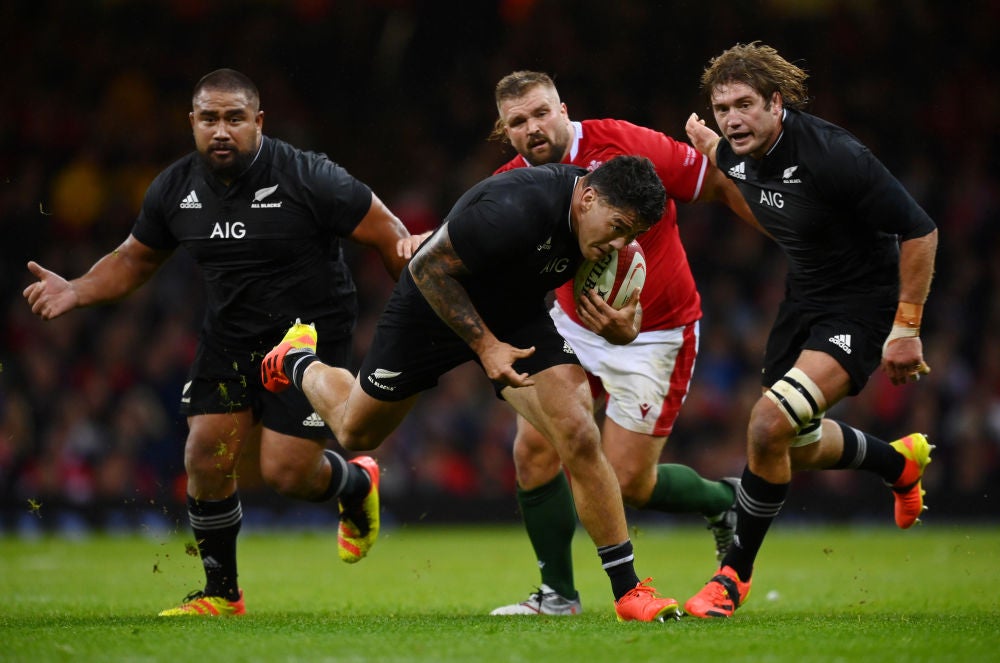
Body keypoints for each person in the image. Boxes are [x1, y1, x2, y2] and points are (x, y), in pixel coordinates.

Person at [22, 69, 412, 616]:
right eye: (209, 119)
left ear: (258, 121)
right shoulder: (174, 188)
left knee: (287, 473)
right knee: (205, 451)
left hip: (308, 335)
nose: (221, 130)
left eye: (234, 118)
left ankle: (353, 484)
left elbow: (388, 231)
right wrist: (78, 289)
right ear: (192, 124)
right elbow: (134, 259)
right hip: (231, 333)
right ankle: (221, 593)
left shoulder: (308, 176)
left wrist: (421, 304)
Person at [262, 155, 683, 622]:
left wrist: (628, 327)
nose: (620, 243)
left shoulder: (607, 237)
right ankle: (298, 358)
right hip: (432, 306)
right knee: (356, 432)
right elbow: (426, 268)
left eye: (632, 235)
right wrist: (485, 347)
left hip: (515, 313)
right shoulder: (514, 207)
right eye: (619, 227)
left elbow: (627, 301)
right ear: (587, 199)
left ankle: (629, 591)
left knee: (578, 432)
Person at [482, 71, 758, 617]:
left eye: (541, 113)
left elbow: (715, 183)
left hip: (658, 331)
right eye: (518, 122)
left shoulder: (626, 143)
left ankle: (724, 502)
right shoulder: (510, 182)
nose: (533, 128)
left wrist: (786, 234)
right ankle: (557, 595)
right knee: (534, 449)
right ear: (505, 130)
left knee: (628, 481)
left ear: (564, 109)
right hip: (571, 326)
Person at [681, 42, 939, 618]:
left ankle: (731, 579)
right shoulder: (735, 152)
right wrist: (716, 155)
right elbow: (772, 213)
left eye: (744, 104)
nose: (731, 118)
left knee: (767, 422)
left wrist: (906, 326)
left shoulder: (834, 154)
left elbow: (920, 231)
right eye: (722, 108)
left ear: (777, 103)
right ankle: (898, 465)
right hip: (803, 302)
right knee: (788, 443)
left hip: (862, 307)